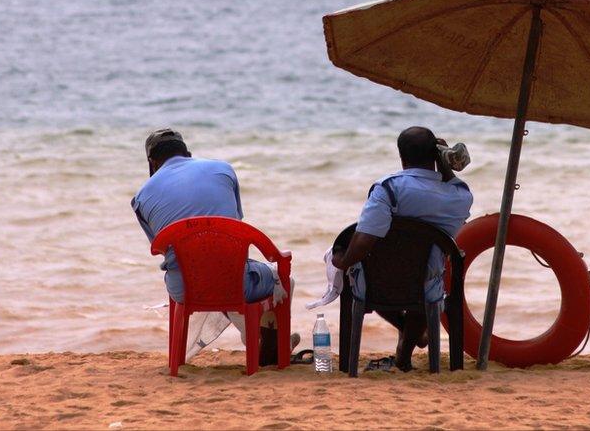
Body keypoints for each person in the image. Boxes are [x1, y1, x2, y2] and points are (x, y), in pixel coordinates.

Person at [131, 128, 296, 365]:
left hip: (184, 288)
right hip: (234, 281)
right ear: (187, 153)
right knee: (281, 281)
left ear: (152, 163)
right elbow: (234, 225)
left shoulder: (140, 197)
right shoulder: (223, 169)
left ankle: (258, 340)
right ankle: (268, 341)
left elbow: (160, 247)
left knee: (209, 273)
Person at [331, 126, 473, 371]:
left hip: (375, 284)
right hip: (427, 287)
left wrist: (342, 262)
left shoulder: (389, 188)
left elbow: (364, 241)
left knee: (357, 263)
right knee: (425, 273)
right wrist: (444, 165)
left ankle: (405, 341)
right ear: (437, 154)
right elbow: (454, 185)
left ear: (401, 156)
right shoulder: (459, 195)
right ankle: (405, 352)